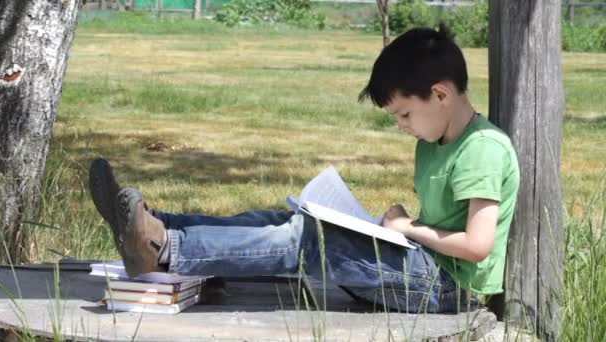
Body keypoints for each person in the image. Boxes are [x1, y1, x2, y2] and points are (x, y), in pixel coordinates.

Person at [89, 24, 520, 313]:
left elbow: (477, 246)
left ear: (440, 94)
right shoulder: (437, 140)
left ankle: (163, 250)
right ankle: (157, 227)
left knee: (306, 241)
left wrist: (407, 226)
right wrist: (398, 226)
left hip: (443, 289)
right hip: (421, 268)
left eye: (404, 114)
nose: (402, 126)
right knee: (284, 220)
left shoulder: (482, 150)